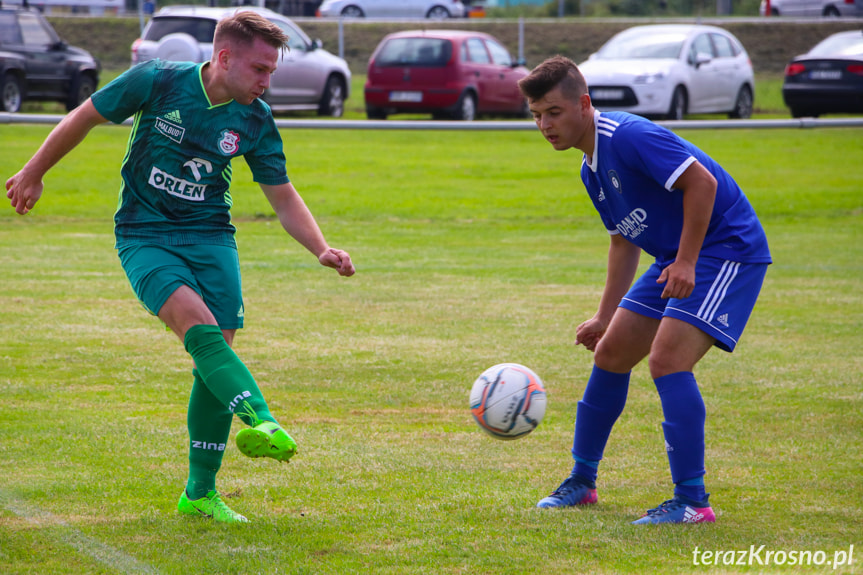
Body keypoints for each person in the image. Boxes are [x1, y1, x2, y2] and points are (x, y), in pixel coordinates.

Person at [6, 11, 355, 524]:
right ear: (224, 58)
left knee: (217, 355)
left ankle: (199, 493)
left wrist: (320, 248)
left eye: (272, 72)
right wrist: (34, 172)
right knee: (200, 329)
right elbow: (85, 116)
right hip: (145, 236)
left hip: (212, 238)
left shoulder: (254, 118)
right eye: (260, 69)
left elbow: (282, 198)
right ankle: (261, 417)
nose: (266, 81)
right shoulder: (158, 81)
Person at [518, 56, 771, 524]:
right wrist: (603, 316)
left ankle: (693, 502)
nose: (544, 125)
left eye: (553, 112)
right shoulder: (590, 170)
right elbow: (622, 241)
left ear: (584, 104)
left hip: (726, 247)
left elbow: (702, 182)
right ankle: (581, 481)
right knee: (611, 352)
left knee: (667, 359)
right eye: (536, 115)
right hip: (675, 257)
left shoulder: (627, 136)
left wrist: (689, 261)